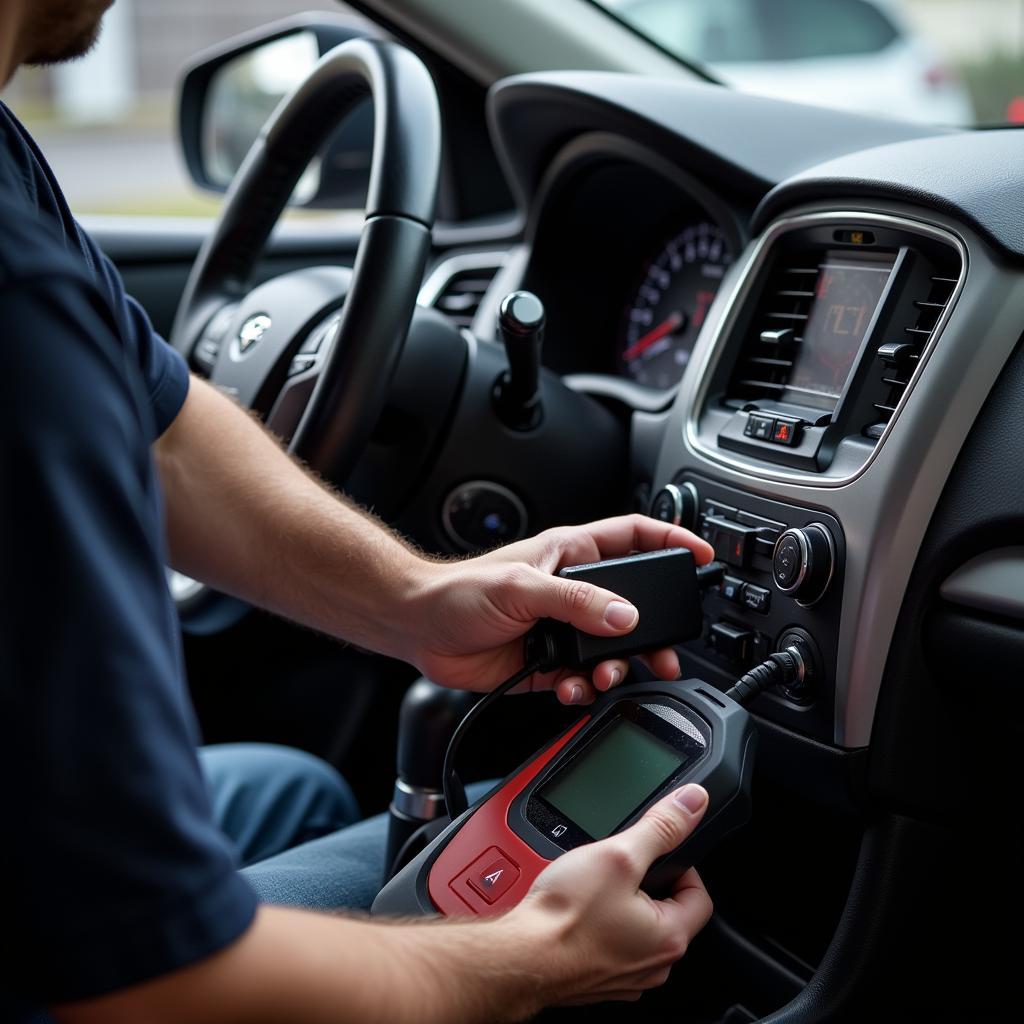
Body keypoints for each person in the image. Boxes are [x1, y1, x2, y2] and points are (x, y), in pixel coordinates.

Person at [0, 2, 717, 1021]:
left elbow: (157, 424)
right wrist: (530, 959)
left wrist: (419, 600)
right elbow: (146, 986)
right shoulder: (19, 311)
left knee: (288, 789)